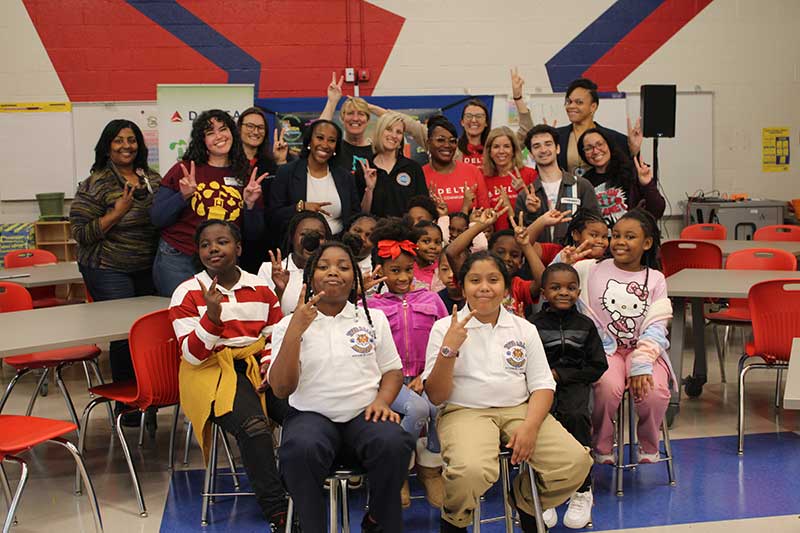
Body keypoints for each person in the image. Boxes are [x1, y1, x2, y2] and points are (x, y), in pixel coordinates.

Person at [423, 251, 592, 532]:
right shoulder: (444, 328)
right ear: (462, 286)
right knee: (471, 471)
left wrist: (530, 426)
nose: (485, 287)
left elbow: (542, 384)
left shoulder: (523, 328)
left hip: (519, 408)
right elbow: (437, 396)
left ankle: (525, 501)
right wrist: (449, 349)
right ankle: (454, 520)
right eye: (475, 280)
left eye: (493, 279)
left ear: (506, 285)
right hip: (465, 411)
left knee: (575, 463)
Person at [269, 242, 415, 533]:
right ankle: (310, 526)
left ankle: (378, 519)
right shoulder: (288, 324)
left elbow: (393, 371)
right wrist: (296, 331)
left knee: (395, 442)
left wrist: (383, 401)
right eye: (323, 266)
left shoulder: (372, 319)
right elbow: (282, 389)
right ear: (310, 276)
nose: (333, 272)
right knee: (298, 449)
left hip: (364, 414)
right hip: (311, 416)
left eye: (343, 266)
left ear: (355, 277)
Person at [169, 219, 290, 530]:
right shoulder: (187, 292)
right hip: (210, 371)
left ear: (238, 247)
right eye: (205, 244)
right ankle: (278, 511)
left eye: (221, 242)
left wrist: (267, 367)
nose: (213, 249)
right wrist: (212, 317)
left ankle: (301, 486)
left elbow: (272, 335)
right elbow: (192, 355)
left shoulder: (261, 288)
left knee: (303, 412)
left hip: (256, 366)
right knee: (253, 427)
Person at [70, 119, 161, 427]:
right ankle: (130, 410)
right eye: (119, 140)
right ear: (107, 146)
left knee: (150, 334)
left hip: (147, 266)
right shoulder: (95, 183)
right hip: (107, 267)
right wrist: (116, 213)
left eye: (132, 140)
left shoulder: (152, 178)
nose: (126, 146)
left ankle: (151, 399)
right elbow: (81, 233)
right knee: (126, 334)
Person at [566, 209, 673, 467]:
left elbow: (659, 324)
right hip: (605, 350)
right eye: (616, 236)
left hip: (645, 352)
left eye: (629, 237)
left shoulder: (656, 278)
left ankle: (648, 443)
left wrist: (642, 364)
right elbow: (554, 277)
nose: (620, 242)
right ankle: (602, 444)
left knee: (655, 391)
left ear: (646, 243)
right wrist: (564, 260)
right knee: (606, 388)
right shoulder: (589, 269)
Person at [366, 220, 449, 508]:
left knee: (438, 406)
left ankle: (430, 469)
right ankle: (398, 469)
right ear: (381, 271)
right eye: (394, 270)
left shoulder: (432, 299)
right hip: (390, 381)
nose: (403, 277)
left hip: (425, 376)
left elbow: (444, 342)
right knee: (416, 408)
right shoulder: (372, 305)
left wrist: (426, 376)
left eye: (407, 270)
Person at [151, 109, 266, 296]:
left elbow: (254, 234)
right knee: (182, 315)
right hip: (179, 257)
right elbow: (157, 218)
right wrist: (183, 196)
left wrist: (250, 205)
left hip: (222, 261)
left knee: (216, 318)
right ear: (202, 141)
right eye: (210, 133)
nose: (219, 136)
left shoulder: (245, 175)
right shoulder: (185, 169)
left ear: (232, 133)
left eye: (223, 129)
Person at [531, 263, 608, 530]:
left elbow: (598, 365)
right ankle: (545, 491)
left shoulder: (586, 325)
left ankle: (583, 490)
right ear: (543, 292)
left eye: (571, 287)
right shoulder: (532, 325)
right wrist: (545, 377)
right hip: (541, 388)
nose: (564, 292)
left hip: (575, 385)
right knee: (541, 426)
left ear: (578, 291)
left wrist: (562, 375)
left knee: (576, 419)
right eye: (556, 287)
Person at [268, 119, 360, 237]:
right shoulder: (287, 172)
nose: (325, 145)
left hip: (338, 246)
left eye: (331, 140)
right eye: (320, 138)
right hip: (300, 246)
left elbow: (355, 216)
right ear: (309, 141)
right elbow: (273, 216)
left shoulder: (345, 177)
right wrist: (301, 207)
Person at [515, 124, 600, 243]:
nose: (543, 150)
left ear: (558, 148)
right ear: (531, 154)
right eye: (536, 146)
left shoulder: (581, 186)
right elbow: (521, 239)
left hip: (576, 257)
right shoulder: (525, 196)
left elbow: (596, 227)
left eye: (548, 144)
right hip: (538, 259)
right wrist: (533, 214)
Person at [553, 78, 643, 175]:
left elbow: (630, 174)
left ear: (593, 107)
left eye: (579, 102)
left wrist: (634, 151)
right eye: (569, 102)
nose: (571, 106)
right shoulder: (556, 136)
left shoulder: (615, 138)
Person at [237, 106, 289, 273]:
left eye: (260, 128)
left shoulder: (270, 163)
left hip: (266, 241)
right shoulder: (227, 163)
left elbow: (283, 196)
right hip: (236, 238)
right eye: (250, 126)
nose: (255, 131)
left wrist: (280, 162)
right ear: (239, 128)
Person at [578, 128, 666, 223]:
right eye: (588, 148)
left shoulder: (631, 172)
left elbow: (657, 210)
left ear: (609, 145)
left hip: (630, 234)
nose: (595, 151)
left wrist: (647, 184)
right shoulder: (584, 182)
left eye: (600, 144)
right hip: (600, 236)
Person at [257, 211, 331, 314]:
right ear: (292, 237)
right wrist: (279, 290)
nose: (311, 240)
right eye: (304, 234)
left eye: (319, 236)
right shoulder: (269, 269)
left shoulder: (332, 274)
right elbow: (261, 315)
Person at [356, 111, 428, 217]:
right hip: (375, 232)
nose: (394, 135)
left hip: (406, 232)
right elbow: (360, 216)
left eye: (399, 132)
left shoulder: (413, 168)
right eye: (389, 129)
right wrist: (369, 189)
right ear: (379, 132)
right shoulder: (365, 168)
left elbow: (423, 209)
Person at [422, 116, 489, 214]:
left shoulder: (473, 171)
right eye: (440, 140)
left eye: (452, 141)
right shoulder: (420, 175)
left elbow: (487, 215)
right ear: (428, 143)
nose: (447, 145)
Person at [481, 126, 537, 230]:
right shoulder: (484, 179)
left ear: (514, 150)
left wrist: (522, 190)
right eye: (496, 147)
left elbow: (538, 212)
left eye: (506, 146)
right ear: (489, 151)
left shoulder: (530, 174)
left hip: (524, 236)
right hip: (494, 240)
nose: (501, 151)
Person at [320, 73, 374, 175]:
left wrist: (372, 108)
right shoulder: (334, 148)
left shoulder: (377, 151)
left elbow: (399, 122)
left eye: (361, 114)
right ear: (342, 118)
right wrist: (332, 101)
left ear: (368, 120)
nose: (355, 118)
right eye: (350, 113)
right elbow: (318, 133)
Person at [413, 220, 445, 292]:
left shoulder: (441, 271)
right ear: (414, 243)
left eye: (437, 242)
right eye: (426, 241)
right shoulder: (407, 268)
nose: (433, 246)